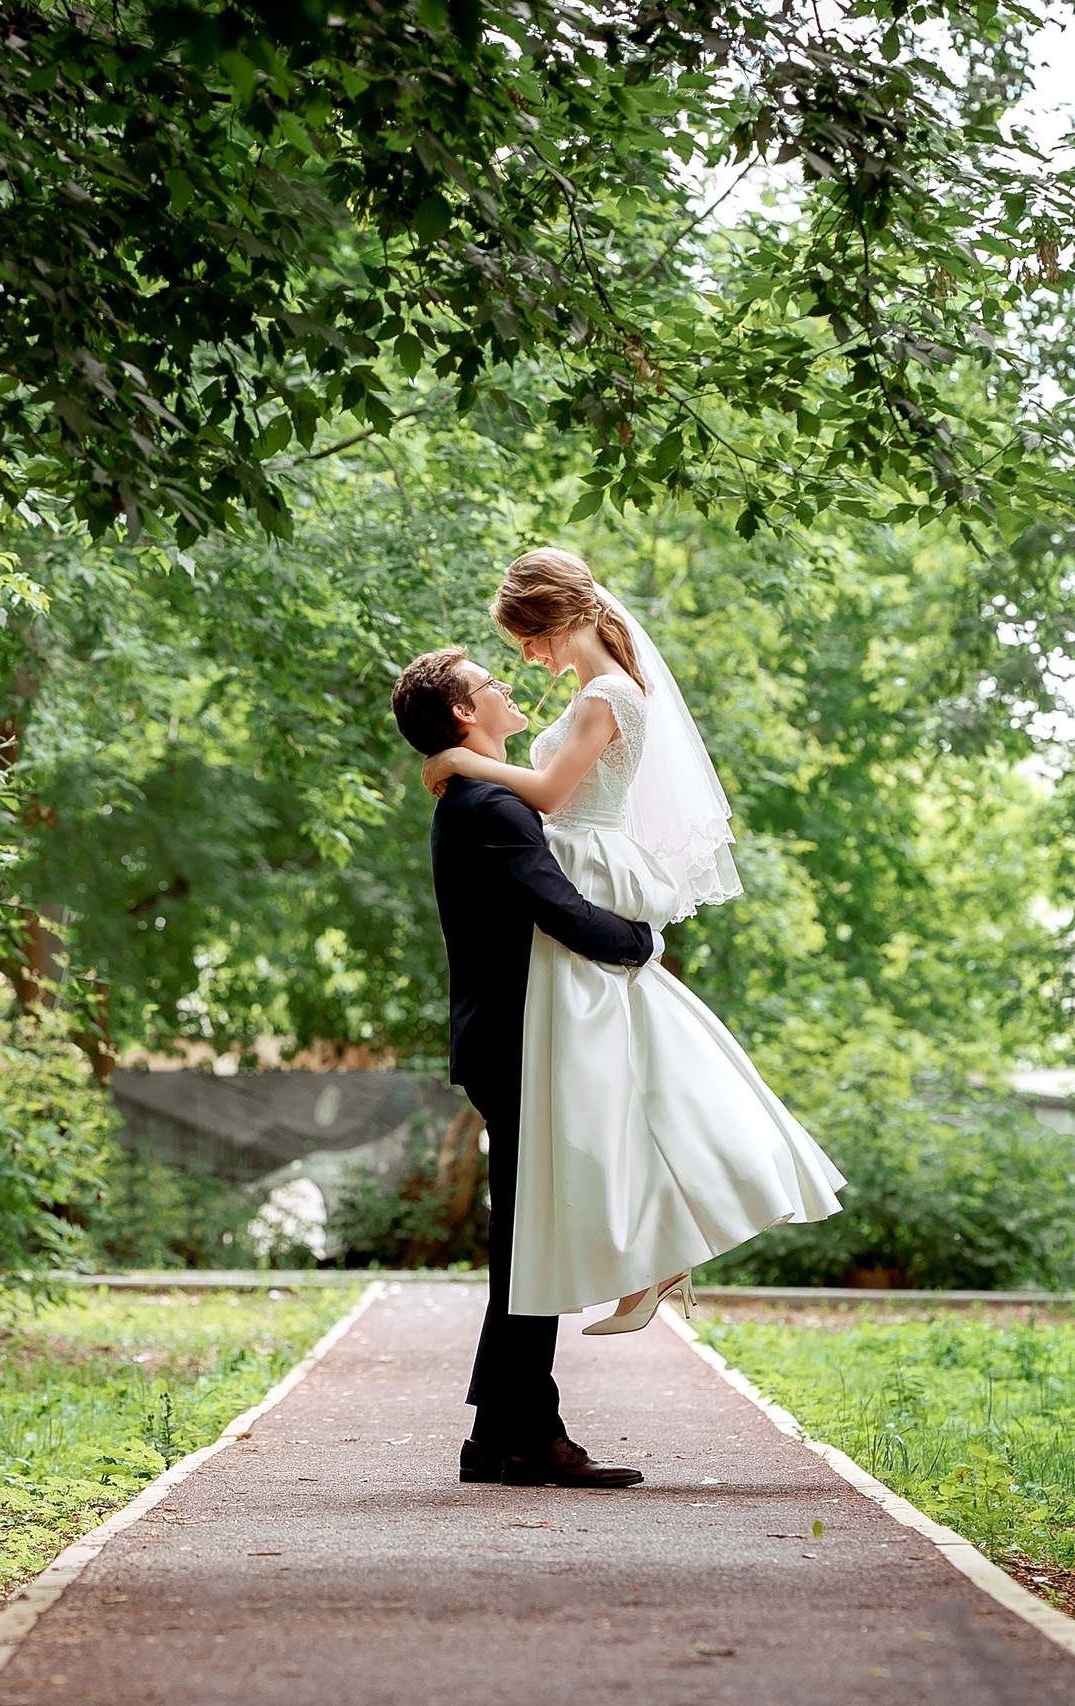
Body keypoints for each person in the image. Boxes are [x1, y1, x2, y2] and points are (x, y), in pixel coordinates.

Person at [421, 547, 845, 1335]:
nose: (528, 659)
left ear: (556, 620)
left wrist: (455, 760)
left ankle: (662, 1246)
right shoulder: (595, 689)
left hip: (586, 867)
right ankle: (652, 1253)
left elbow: (550, 793)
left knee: (612, 1080)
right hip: (574, 862)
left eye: (529, 640)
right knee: (615, 1083)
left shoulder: (609, 693)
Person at [389, 645, 653, 1489]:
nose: (506, 687)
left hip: (503, 1038)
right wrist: (639, 941)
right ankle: (524, 1432)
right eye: (488, 684)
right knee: (533, 1236)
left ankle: (503, 1432)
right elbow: (563, 911)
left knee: (524, 1239)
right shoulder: (487, 807)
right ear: (465, 716)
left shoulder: (474, 795)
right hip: (513, 1042)